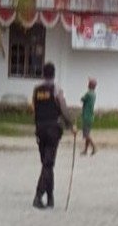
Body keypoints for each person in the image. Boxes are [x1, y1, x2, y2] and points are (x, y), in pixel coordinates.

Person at [32, 62, 76, 210]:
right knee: (48, 163)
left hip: (40, 129)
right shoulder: (56, 89)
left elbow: (34, 109)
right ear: (54, 73)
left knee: (46, 163)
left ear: (43, 74)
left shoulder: (36, 90)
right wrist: (71, 125)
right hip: (52, 129)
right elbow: (63, 107)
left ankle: (50, 197)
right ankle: (38, 196)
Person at [80, 77, 97, 156]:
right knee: (88, 134)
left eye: (89, 83)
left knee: (86, 135)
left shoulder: (88, 93)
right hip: (91, 116)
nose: (88, 84)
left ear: (90, 85)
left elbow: (82, 99)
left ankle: (94, 147)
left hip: (86, 116)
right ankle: (86, 150)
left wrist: (82, 97)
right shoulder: (94, 94)